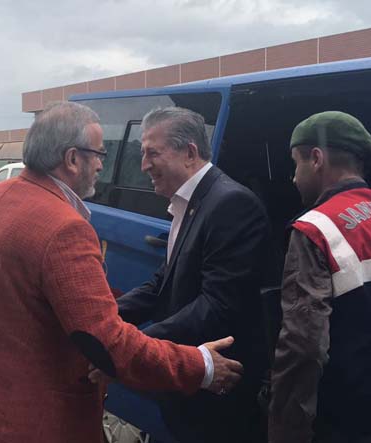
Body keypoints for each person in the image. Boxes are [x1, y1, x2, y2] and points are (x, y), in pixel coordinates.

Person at [0, 102, 244, 443]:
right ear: (73, 159)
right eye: (99, 154)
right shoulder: (63, 227)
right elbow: (108, 345)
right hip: (18, 422)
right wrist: (200, 366)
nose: (102, 165)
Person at [115, 107, 274, 443]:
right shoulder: (189, 203)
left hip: (218, 391)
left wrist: (139, 345)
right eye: (142, 154)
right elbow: (163, 282)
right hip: (191, 382)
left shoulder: (231, 204)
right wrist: (108, 319)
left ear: (189, 153)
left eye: (152, 153)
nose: (143, 165)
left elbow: (218, 304)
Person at [269, 111, 371, 443]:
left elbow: (303, 345)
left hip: (353, 421)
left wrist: (286, 430)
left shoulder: (314, 229)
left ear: (316, 159)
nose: (293, 177)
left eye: (296, 163)